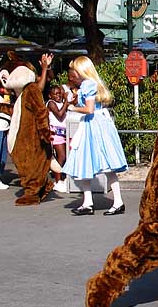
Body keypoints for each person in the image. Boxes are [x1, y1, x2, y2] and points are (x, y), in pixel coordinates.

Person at [64, 56, 127, 216]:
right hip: (95, 124)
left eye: (75, 70)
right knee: (87, 163)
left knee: (100, 163)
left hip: (94, 126)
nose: (73, 73)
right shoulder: (91, 83)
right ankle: (89, 202)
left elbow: (89, 109)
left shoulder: (88, 84)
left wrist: (72, 108)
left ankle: (115, 202)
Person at [46, 84, 70, 193]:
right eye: (55, 94)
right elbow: (60, 114)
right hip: (56, 134)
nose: (58, 96)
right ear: (50, 95)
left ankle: (62, 178)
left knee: (65, 157)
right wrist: (66, 101)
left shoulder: (61, 103)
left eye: (59, 93)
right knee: (61, 156)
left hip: (64, 133)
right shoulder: (51, 103)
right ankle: (58, 180)